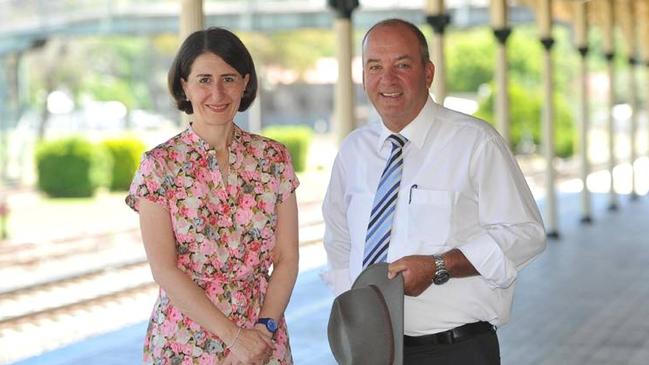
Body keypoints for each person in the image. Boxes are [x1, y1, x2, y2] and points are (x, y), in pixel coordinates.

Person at [322, 18, 546, 364]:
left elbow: (526, 234)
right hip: (372, 350)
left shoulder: (475, 142)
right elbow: (339, 241)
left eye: (402, 65)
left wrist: (441, 265)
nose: (388, 79)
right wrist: (355, 314)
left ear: (428, 73)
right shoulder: (353, 151)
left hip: (455, 350)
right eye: (375, 66)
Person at [126, 27, 299, 365]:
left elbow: (288, 258)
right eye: (204, 79)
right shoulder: (159, 166)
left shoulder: (274, 158)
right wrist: (235, 338)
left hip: (263, 334)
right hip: (184, 340)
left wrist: (262, 331)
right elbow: (164, 269)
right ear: (184, 86)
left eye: (229, 78)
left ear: (245, 83)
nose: (217, 92)